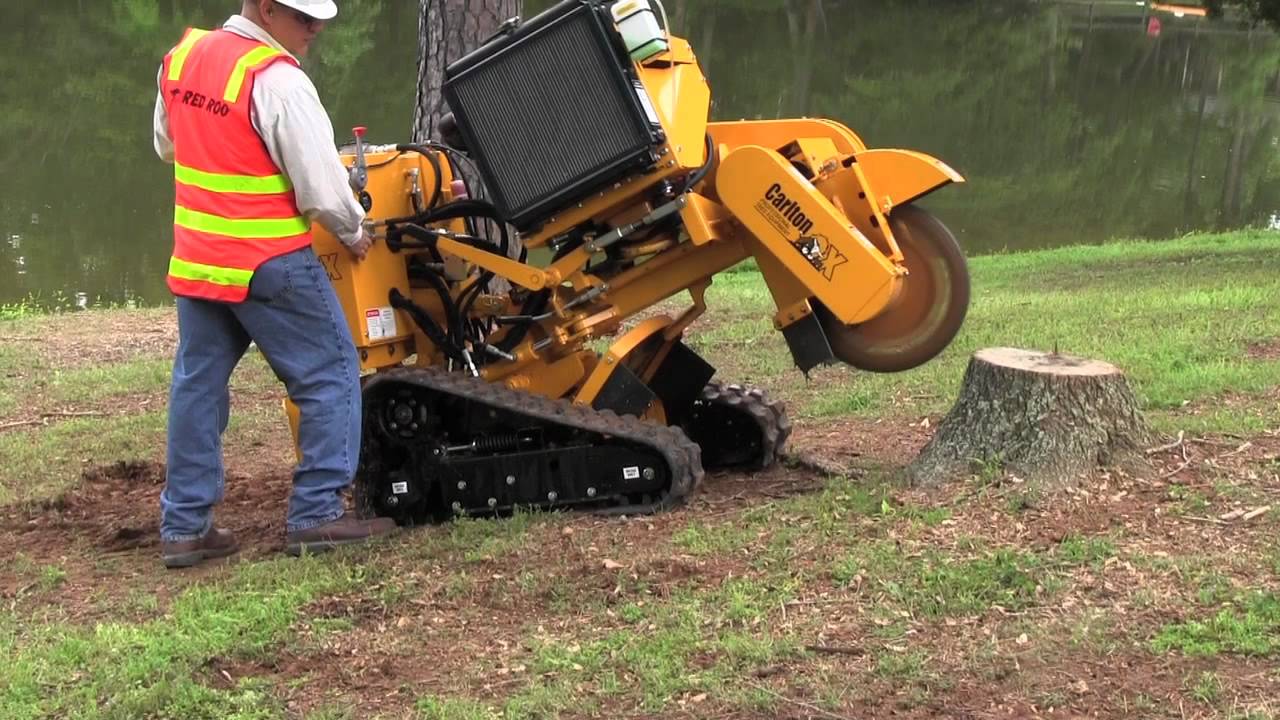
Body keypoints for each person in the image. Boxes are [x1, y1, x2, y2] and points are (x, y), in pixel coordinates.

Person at [153, 0, 395, 568]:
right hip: (269, 263)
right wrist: (354, 231)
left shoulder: (181, 58)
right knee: (331, 372)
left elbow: (169, 145)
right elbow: (322, 188)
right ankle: (317, 513)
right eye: (304, 17)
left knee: (197, 386)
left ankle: (184, 526)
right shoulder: (279, 80)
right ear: (265, 8)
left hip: (198, 260)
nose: (315, 29)